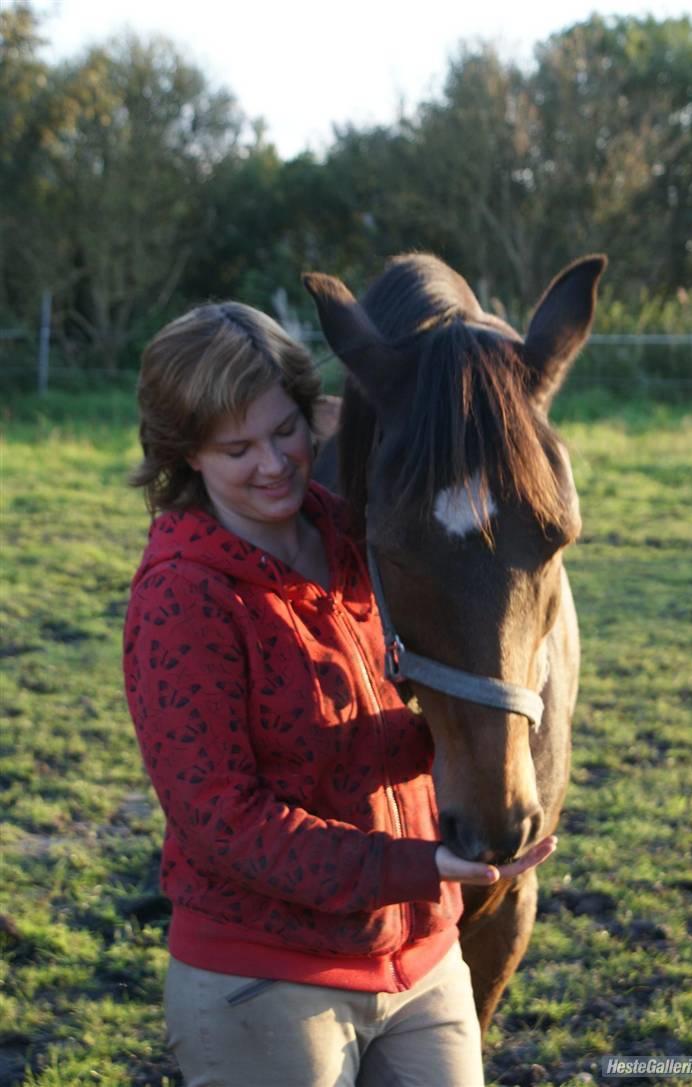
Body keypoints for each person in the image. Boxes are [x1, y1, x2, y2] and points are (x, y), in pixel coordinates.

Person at [123, 300, 557, 1087]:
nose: (273, 463)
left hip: (421, 964)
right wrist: (417, 864)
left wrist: (490, 752)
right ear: (184, 455)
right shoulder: (182, 597)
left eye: (285, 430)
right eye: (235, 447)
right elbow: (224, 820)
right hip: (266, 983)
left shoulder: (363, 541)